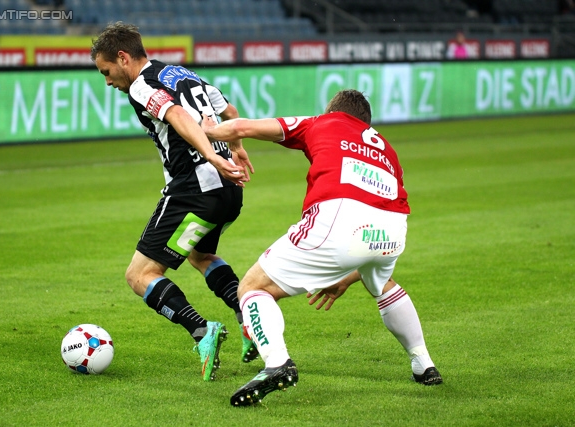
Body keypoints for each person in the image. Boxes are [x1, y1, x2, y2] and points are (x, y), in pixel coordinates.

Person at [201, 89, 443, 406]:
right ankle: (423, 363)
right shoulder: (386, 148)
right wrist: (349, 271)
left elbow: (241, 127)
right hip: (393, 230)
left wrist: (212, 130)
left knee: (252, 288)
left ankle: (276, 363)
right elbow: (380, 214)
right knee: (383, 284)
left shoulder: (321, 123)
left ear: (332, 111)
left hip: (337, 219)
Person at [90, 22, 257, 382]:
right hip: (229, 191)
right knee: (200, 255)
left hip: (194, 190)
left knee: (139, 275)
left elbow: (178, 116)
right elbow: (228, 110)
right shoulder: (179, 72)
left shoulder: (141, 85)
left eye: (106, 71)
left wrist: (212, 156)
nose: (107, 81)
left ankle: (202, 332)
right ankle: (248, 317)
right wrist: (237, 148)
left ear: (123, 58)